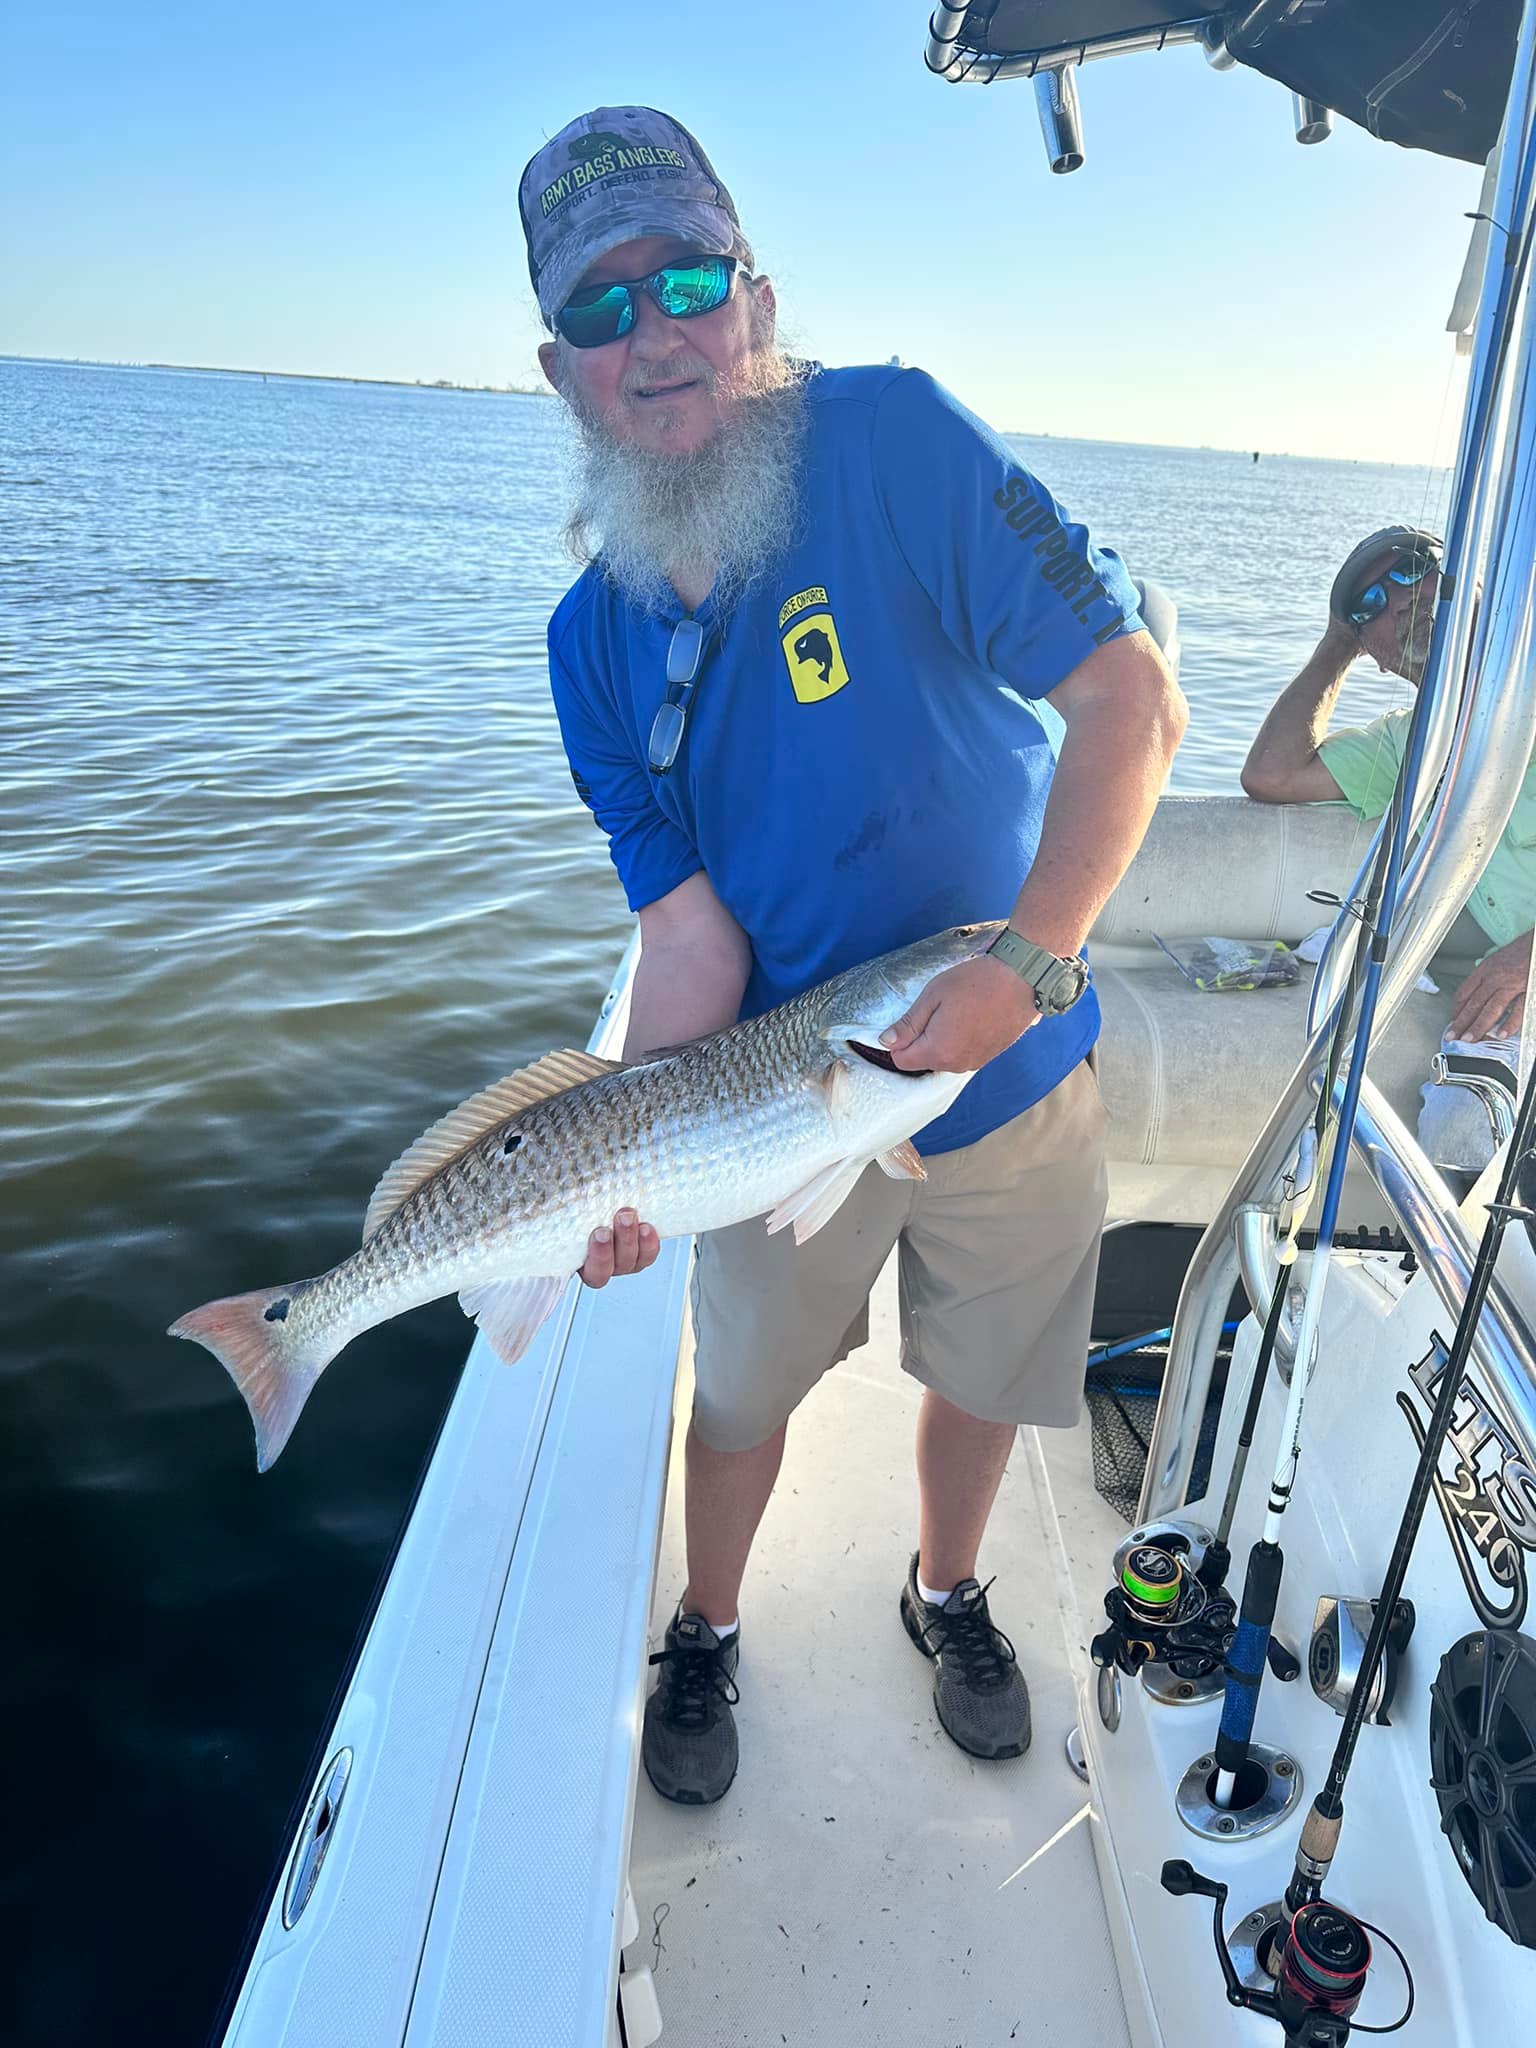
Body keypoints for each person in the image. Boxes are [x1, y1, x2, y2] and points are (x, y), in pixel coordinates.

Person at [520, 105, 1187, 1805]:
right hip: (774, 1090)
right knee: (738, 1391)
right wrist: (619, 1142)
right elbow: (685, 931)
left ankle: (946, 1585)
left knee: (987, 1370)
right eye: (604, 309)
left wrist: (1031, 967)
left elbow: (1131, 698)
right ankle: (712, 1622)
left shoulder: (892, 441)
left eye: (686, 280)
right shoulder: (588, 643)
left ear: (752, 297)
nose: (654, 333)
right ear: (558, 366)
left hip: (1016, 1055)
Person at [1242, 525, 1534, 1170]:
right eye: (1368, 608)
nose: (1397, 602)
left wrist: (1526, 957)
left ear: (1475, 586)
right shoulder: (1412, 745)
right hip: (1514, 1014)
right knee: (1462, 1133)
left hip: (1523, 974)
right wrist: (1334, 646)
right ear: (1374, 654)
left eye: (1410, 570)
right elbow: (1272, 774)